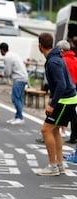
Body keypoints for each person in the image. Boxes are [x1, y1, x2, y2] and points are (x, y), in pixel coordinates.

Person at [36, 33, 77, 176]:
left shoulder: (53, 61)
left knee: (45, 130)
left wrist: (52, 104)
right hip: (68, 99)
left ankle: (52, 166)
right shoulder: (56, 57)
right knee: (54, 130)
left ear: (40, 45)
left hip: (64, 100)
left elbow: (61, 84)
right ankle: (59, 164)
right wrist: (52, 98)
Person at [0, 42, 28, 125]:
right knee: (19, 98)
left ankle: (19, 117)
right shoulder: (13, 54)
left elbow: (7, 72)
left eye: (0, 50)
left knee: (15, 98)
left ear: (2, 50)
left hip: (19, 78)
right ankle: (18, 116)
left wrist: (1, 74)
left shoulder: (8, 57)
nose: (0, 52)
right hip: (23, 78)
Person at [56, 40, 77, 144]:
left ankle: (55, 132)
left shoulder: (62, 60)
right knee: (73, 115)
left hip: (66, 91)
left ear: (62, 50)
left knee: (59, 111)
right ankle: (74, 136)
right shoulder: (76, 60)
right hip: (75, 90)